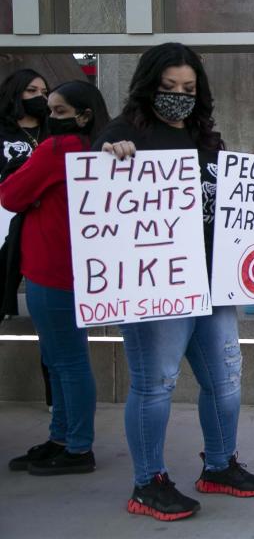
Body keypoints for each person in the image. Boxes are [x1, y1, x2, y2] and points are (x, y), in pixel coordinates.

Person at [93, 43, 254, 521]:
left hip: (212, 281)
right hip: (157, 287)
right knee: (156, 384)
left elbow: (228, 201)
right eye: (169, 87)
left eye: (188, 88)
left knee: (225, 378)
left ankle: (219, 465)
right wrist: (112, 157)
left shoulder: (206, 138)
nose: (178, 95)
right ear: (149, 86)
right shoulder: (122, 133)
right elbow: (96, 189)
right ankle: (147, 482)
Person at [1, 80, 109, 476]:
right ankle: (62, 437)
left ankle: (77, 445)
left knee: (66, 361)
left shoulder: (55, 149)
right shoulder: (96, 151)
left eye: (59, 111)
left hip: (51, 270)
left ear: (83, 115)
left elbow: (10, 196)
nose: (50, 116)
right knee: (62, 360)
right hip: (73, 270)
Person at [0, 68, 54, 410]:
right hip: (4, 230)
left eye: (45, 91)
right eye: (32, 90)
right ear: (15, 93)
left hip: (42, 234)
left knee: (51, 322)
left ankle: (55, 400)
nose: (40, 97)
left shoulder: (54, 132)